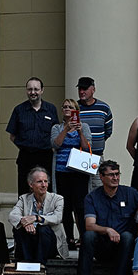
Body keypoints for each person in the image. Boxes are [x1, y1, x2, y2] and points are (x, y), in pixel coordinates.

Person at [76, 160, 138, 275]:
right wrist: (108, 230)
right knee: (88, 235)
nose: (115, 178)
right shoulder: (92, 197)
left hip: (123, 246)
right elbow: (89, 225)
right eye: (111, 175)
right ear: (101, 177)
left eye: (117, 174)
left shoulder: (131, 194)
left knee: (128, 236)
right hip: (101, 246)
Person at [51, 98, 93, 248]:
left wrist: (79, 131)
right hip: (62, 171)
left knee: (80, 206)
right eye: (65, 107)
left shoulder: (84, 126)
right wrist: (66, 129)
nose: (67, 109)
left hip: (79, 172)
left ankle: (83, 236)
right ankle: (69, 238)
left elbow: (87, 146)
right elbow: (55, 144)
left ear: (76, 110)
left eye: (70, 107)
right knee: (65, 206)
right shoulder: (57, 127)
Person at [5, 77, 58, 193]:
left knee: (46, 191)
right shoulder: (19, 110)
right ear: (26, 90)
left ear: (42, 90)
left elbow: (56, 133)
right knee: (24, 191)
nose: (33, 92)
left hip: (46, 157)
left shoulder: (51, 109)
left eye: (36, 89)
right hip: (26, 157)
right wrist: (25, 146)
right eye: (30, 89)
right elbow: (12, 136)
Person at [9, 167, 66, 264]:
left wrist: (36, 218)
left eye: (45, 181)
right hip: (31, 241)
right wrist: (26, 223)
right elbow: (12, 215)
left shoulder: (57, 199)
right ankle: (27, 263)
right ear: (31, 184)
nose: (44, 185)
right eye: (39, 182)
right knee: (18, 227)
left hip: (50, 244)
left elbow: (57, 218)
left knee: (43, 229)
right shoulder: (24, 198)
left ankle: (40, 264)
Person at [76, 76, 114, 187]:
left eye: (85, 89)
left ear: (93, 89)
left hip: (97, 156)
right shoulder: (75, 108)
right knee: (81, 188)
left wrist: (97, 142)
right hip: (79, 156)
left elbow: (108, 131)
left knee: (98, 188)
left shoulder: (103, 108)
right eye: (80, 89)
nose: (81, 92)